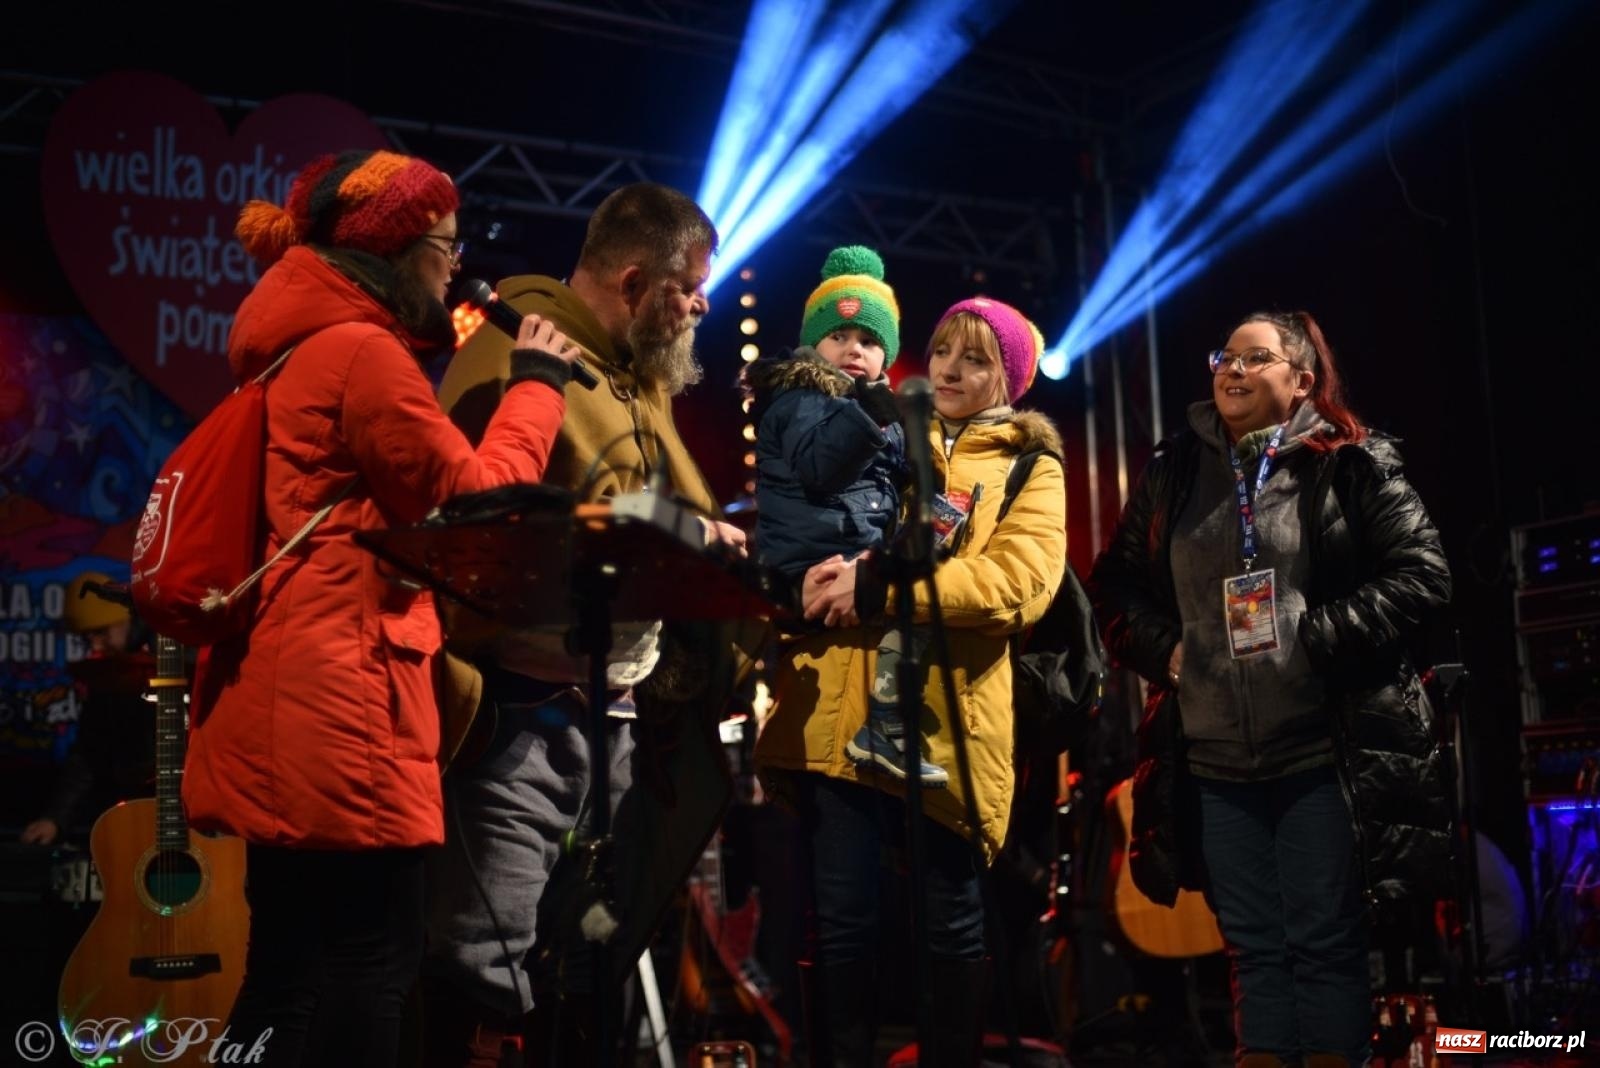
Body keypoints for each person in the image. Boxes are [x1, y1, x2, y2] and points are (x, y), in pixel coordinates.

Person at [180, 148, 579, 1067]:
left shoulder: (289, 350)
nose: (455, 261)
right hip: (343, 700)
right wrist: (536, 387)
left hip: (280, 687)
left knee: (283, 964)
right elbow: (476, 498)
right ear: (399, 252)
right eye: (445, 242)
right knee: (373, 959)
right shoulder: (361, 354)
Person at [425, 181, 752, 1066]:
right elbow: (508, 517)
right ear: (637, 282)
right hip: (517, 708)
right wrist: (690, 532)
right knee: (481, 954)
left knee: (569, 945)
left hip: (608, 707)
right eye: (689, 287)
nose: (701, 306)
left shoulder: (635, 376)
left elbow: (661, 505)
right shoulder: (514, 351)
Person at [1087, 310, 1452, 1068]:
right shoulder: (1175, 471)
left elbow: (1423, 575)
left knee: (1322, 943)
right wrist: (1172, 653)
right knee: (1251, 950)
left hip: (1320, 748)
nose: (1234, 369)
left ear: (1302, 380)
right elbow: (1113, 587)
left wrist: (1317, 637)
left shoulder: (1352, 464)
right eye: (1226, 356)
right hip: (1216, 758)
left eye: (1257, 358)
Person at [756, 296, 1067, 1066]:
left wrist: (881, 588)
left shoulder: (1030, 462)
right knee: (842, 919)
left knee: (950, 919)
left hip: (948, 726)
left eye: (976, 359)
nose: (952, 370)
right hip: (838, 709)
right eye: (942, 351)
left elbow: (1020, 583)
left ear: (1011, 379)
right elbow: (803, 519)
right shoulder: (885, 428)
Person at [743, 245, 950, 786]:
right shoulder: (798, 396)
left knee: (920, 595)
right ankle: (885, 724)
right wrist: (872, 414)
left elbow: (892, 481)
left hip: (849, 550)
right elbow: (820, 467)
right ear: (815, 342)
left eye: (868, 341)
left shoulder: (875, 409)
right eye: (839, 336)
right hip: (808, 558)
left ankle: (886, 721)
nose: (853, 350)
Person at [19, 571, 152, 847]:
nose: (95, 645)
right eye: (87, 637)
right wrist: (54, 819)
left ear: (127, 618)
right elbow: (90, 751)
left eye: (102, 632)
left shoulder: (179, 653)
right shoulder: (108, 675)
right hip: (128, 816)